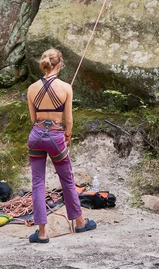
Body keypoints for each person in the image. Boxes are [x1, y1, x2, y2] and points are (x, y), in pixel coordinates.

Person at [27, 48, 97, 243]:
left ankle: (42, 233)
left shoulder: (32, 88)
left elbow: (33, 119)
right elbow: (69, 120)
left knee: (38, 182)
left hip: (36, 136)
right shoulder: (66, 87)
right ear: (60, 65)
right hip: (56, 137)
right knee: (67, 179)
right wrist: (67, 136)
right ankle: (80, 222)